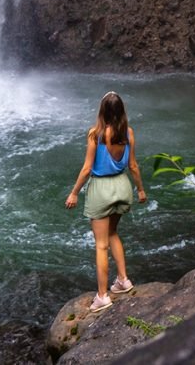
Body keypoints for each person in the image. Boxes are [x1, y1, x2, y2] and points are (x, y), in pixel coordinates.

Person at [64, 90, 147, 312]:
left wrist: (74, 192)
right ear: (121, 111)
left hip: (101, 190)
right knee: (113, 234)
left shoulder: (96, 134)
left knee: (101, 245)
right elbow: (133, 165)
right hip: (122, 186)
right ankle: (123, 280)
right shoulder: (128, 132)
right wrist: (140, 190)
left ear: (102, 111)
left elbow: (87, 168)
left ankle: (102, 296)